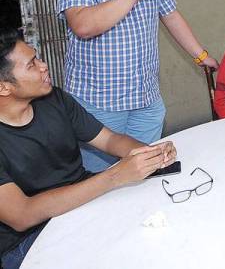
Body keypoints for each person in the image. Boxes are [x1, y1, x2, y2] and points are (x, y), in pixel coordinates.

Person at [57, 0, 218, 172]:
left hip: (145, 99)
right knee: (101, 178)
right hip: (100, 104)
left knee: (146, 171)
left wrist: (201, 55)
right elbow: (82, 25)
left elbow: (171, 15)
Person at [0, 28, 177, 268]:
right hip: (28, 239)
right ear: (3, 88)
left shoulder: (55, 100)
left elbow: (109, 140)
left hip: (83, 204)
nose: (44, 66)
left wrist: (148, 153)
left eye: (38, 57)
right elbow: (22, 214)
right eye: (32, 65)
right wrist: (114, 177)